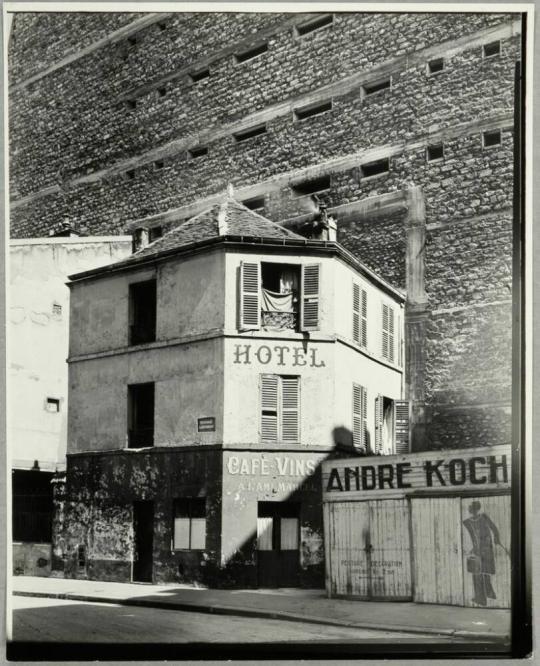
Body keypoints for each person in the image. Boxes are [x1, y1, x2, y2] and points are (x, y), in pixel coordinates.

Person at [462, 500, 501, 606]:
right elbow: (471, 538)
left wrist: (496, 540)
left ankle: (481, 599)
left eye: (470, 507)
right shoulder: (467, 521)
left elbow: (494, 529)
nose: (469, 509)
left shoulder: (482, 517)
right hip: (480, 550)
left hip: (484, 550)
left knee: (478, 573)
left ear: (474, 509)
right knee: (483, 571)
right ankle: (490, 593)